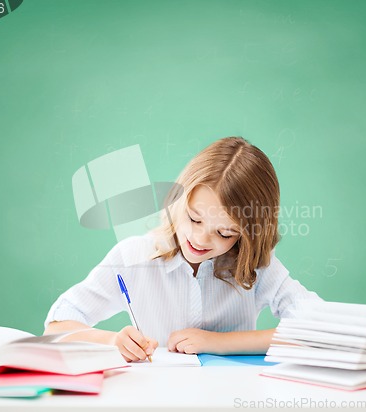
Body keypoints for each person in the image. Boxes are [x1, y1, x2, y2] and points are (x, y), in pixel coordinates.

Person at [44, 137, 321, 362]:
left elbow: (319, 329)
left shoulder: (256, 265)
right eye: (194, 218)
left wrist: (218, 342)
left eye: (225, 233)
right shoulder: (134, 256)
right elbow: (57, 327)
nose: (200, 239)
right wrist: (112, 340)